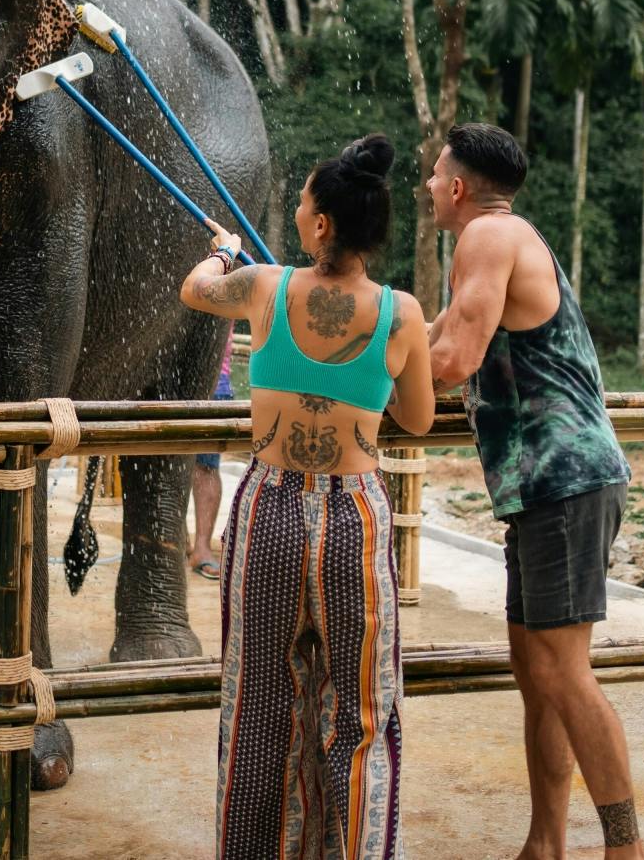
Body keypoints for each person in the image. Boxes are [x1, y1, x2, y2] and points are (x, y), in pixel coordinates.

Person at [180, 133, 435, 860]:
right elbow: (415, 419)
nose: (294, 209)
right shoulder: (402, 312)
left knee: (259, 705)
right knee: (362, 716)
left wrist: (228, 251)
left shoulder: (265, 285)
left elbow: (194, 289)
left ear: (323, 225)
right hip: (354, 512)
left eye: (302, 202)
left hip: (269, 512)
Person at [423, 122, 644, 860]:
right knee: (536, 671)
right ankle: (544, 843)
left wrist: (365, 389)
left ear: (457, 187)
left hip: (565, 481)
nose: (426, 187)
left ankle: (626, 849)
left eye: (432, 175)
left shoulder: (488, 238)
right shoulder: (498, 240)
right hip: (545, 489)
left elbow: (451, 360)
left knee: (563, 671)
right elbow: (428, 339)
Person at [187, 328, 236, 580]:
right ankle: (177, 540)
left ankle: (202, 548)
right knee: (165, 464)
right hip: (171, 378)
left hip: (216, 380)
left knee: (206, 467)